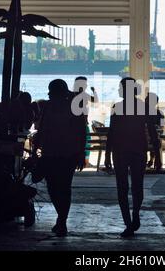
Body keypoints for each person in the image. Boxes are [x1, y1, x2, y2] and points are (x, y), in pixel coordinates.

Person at [105, 77, 160, 237]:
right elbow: (152, 131)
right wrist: (155, 153)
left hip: (120, 151)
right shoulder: (143, 107)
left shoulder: (117, 107)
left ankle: (128, 223)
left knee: (122, 187)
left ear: (123, 89)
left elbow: (112, 133)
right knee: (137, 185)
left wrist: (107, 155)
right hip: (138, 150)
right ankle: (135, 213)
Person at [34, 79, 86, 237]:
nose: (49, 95)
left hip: (62, 154)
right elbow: (42, 129)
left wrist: (80, 153)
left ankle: (62, 220)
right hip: (60, 154)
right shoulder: (52, 107)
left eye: (51, 92)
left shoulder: (67, 108)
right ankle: (61, 219)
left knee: (59, 188)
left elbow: (81, 132)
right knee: (59, 188)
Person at [72, 76, 99, 168]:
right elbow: (95, 100)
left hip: (72, 125)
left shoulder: (71, 95)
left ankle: (76, 161)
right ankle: (86, 162)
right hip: (83, 124)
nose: (86, 85)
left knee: (75, 143)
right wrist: (94, 91)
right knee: (86, 143)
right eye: (85, 83)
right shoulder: (84, 95)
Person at [145, 92, 165, 173]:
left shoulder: (140, 113)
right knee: (155, 139)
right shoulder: (160, 113)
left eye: (146, 98)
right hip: (153, 140)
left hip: (141, 140)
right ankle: (156, 161)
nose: (145, 99)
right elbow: (162, 127)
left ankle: (151, 160)